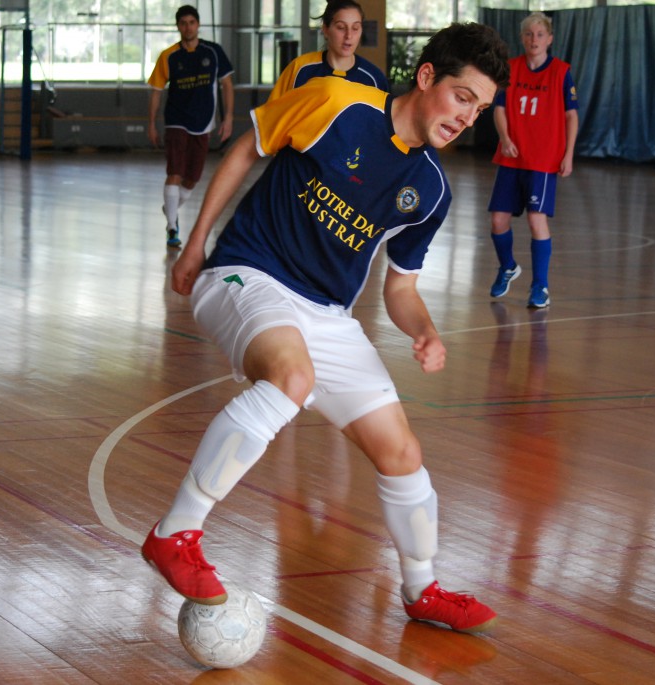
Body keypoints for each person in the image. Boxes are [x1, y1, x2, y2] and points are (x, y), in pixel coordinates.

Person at [142, 22, 510, 633]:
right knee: (290, 377)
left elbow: (400, 287)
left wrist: (424, 329)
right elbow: (247, 147)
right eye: (463, 98)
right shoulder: (337, 104)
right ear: (426, 79)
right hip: (246, 272)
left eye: (481, 108)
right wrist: (195, 241)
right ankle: (175, 532)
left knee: (401, 452)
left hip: (326, 314)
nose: (469, 118)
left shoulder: (431, 190)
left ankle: (422, 589)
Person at [486, 11, 578, 309]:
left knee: (536, 220)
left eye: (540, 34)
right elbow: (499, 108)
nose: (534, 40)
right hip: (512, 155)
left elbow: (570, 115)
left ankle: (541, 287)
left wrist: (568, 153)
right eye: (528, 34)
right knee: (498, 220)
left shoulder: (561, 72)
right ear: (522, 38)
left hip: (543, 159)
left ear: (549, 39)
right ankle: (508, 266)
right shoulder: (510, 69)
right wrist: (505, 138)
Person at [147, 5, 235, 249]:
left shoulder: (213, 52)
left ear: (198, 25)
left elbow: (227, 85)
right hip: (176, 121)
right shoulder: (168, 56)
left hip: (203, 122)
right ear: (178, 26)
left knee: (192, 179)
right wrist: (151, 123)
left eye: (191, 22)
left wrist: (228, 118)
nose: (187, 27)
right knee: (174, 172)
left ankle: (170, 209)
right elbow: (155, 92)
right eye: (183, 23)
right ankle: (172, 227)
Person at [268, 0, 388, 101]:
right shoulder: (300, 70)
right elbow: (271, 118)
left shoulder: (374, 78)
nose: (349, 35)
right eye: (341, 27)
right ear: (325, 29)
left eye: (355, 28)